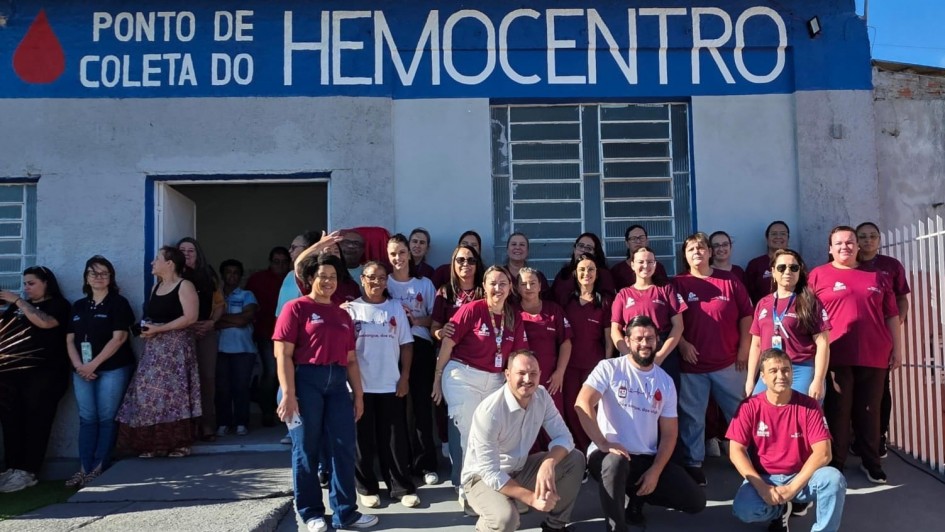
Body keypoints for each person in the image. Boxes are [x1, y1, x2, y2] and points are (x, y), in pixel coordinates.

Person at [273, 253, 378, 532]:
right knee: (306, 449)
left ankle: (346, 512)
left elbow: (352, 359)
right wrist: (288, 394)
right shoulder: (295, 308)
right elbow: (282, 354)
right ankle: (311, 513)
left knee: (343, 448)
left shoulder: (343, 314)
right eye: (322, 276)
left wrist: (359, 395)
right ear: (310, 279)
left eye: (333, 277)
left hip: (337, 384)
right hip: (306, 380)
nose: (328, 281)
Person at [576, 316, 707, 529]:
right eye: (638, 339)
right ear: (627, 341)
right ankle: (616, 525)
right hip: (609, 454)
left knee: (695, 501)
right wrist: (602, 442)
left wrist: (655, 471)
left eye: (650, 338)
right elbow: (582, 403)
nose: (644, 344)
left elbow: (669, 434)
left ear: (657, 341)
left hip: (645, 457)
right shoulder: (609, 368)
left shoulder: (665, 381)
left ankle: (636, 498)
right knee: (616, 464)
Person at [809, 226, 900, 484]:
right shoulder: (818, 275)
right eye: (839, 243)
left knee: (870, 411)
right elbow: (809, 316)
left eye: (850, 242)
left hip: (875, 353)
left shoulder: (878, 275)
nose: (845, 247)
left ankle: (871, 463)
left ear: (858, 247)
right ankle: (835, 463)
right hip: (836, 354)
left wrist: (898, 349)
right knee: (838, 410)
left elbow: (892, 315)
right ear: (830, 248)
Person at [432, 265, 527, 510]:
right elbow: (447, 345)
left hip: (495, 379)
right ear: (483, 286)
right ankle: (467, 489)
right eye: (493, 283)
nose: (498, 288)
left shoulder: (513, 315)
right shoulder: (471, 310)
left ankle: (490, 485)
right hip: (463, 375)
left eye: (503, 283)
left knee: (492, 434)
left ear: (510, 287)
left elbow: (515, 354)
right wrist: (437, 378)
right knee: (469, 434)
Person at [463, 350, 585, 532]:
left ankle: (555, 526)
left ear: (540, 375)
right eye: (521, 373)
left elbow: (564, 437)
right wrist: (530, 498)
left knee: (575, 459)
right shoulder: (490, 412)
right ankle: (485, 523)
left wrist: (548, 463)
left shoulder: (542, 397)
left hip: (519, 468)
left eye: (533, 373)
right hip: (481, 478)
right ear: (507, 375)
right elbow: (490, 472)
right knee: (506, 519)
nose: (528, 379)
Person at [729, 348, 846, 532]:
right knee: (744, 510)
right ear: (763, 377)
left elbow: (824, 453)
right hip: (765, 477)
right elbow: (736, 451)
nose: (781, 375)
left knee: (833, 479)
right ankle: (779, 511)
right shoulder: (749, 406)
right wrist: (763, 489)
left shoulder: (809, 406)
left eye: (785, 370)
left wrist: (792, 489)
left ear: (792, 373)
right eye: (773, 371)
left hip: (801, 477)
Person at [672, 232, 753, 486]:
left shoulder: (730, 280)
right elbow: (671, 321)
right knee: (692, 417)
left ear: (709, 252)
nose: (697, 252)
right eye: (691, 249)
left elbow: (747, 317)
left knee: (740, 413)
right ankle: (694, 463)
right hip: (692, 366)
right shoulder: (677, 284)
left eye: (700, 248)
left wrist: (743, 350)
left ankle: (749, 459)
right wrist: (682, 344)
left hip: (729, 362)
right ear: (685, 256)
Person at [346, 261, 420, 509]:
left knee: (394, 440)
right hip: (360, 387)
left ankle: (401, 487)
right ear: (361, 279)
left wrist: (405, 377)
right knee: (362, 441)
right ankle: (366, 488)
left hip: (390, 384)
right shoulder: (349, 310)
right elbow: (345, 353)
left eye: (381, 278)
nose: (376, 282)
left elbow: (406, 345)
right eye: (371, 277)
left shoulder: (395, 308)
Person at [116, 247, 200, 458]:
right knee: (147, 392)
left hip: (175, 349)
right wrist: (146, 329)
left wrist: (160, 329)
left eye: (157, 259)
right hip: (154, 349)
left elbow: (190, 317)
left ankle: (178, 444)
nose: (153, 263)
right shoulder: (157, 287)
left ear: (170, 263)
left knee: (175, 395)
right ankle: (152, 444)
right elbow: (154, 315)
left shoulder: (185, 285)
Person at [63, 256, 136, 487]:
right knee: (87, 418)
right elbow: (69, 340)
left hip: (112, 369)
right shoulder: (79, 306)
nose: (98, 277)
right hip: (81, 370)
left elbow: (120, 338)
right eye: (93, 273)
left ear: (111, 277)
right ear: (86, 277)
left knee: (106, 418)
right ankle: (83, 468)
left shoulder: (118, 303)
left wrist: (93, 365)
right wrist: (79, 367)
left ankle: (99, 467)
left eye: (104, 273)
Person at [0, 266, 71, 493]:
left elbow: (46, 323)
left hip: (44, 375)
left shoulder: (58, 305)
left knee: (36, 421)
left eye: (31, 283)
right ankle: (12, 467)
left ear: (46, 283)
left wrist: (18, 301)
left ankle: (28, 471)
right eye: (24, 284)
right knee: (11, 422)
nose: (26, 288)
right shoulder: (13, 309)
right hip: (11, 376)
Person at [385, 234, 440, 485]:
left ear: (410, 254)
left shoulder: (424, 284)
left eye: (402, 252)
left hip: (420, 347)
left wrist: (415, 320)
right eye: (393, 254)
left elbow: (434, 319)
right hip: (390, 348)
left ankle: (426, 464)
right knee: (396, 409)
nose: (398, 258)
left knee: (420, 407)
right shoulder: (383, 283)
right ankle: (400, 462)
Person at [430, 243, 485, 487]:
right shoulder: (445, 292)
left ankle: (484, 476)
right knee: (459, 423)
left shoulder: (485, 291)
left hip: (483, 365)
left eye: (471, 260)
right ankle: (460, 479)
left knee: (484, 423)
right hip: (454, 364)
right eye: (460, 260)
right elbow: (433, 328)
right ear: (453, 264)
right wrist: (441, 332)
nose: (466, 265)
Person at [745, 250, 831, 401]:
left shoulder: (809, 302)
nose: (787, 272)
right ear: (773, 271)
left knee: (798, 414)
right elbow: (756, 345)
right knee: (762, 414)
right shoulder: (763, 303)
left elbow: (823, 343)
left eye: (793, 268)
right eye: (781, 267)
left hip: (800, 369)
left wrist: (818, 379)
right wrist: (750, 379)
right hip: (769, 369)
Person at [856, 221, 910, 458]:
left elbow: (901, 300)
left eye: (872, 236)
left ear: (879, 239)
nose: (868, 241)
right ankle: (858, 439)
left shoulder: (891, 266)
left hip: (880, 341)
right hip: (851, 341)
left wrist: (894, 325)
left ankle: (879, 437)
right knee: (851, 392)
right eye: (863, 237)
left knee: (879, 391)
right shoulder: (848, 263)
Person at [610, 246, 686, 390]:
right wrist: (629, 356)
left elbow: (678, 326)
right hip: (632, 349)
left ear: (655, 264)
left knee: (665, 399)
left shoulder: (666, 289)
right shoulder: (623, 294)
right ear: (632, 265)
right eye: (641, 262)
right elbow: (615, 330)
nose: (646, 266)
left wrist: (660, 356)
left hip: (662, 350)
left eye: (650, 262)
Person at [561, 254, 614, 454]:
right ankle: (579, 451)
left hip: (595, 365)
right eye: (582, 269)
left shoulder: (605, 302)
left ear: (597, 273)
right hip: (570, 365)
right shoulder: (568, 301)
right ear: (575, 273)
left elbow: (609, 339)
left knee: (596, 409)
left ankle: (596, 451)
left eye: (591, 269)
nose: (586, 273)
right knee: (573, 408)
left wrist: (608, 366)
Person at [178, 237, 224, 442]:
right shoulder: (174, 276)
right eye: (182, 250)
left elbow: (220, 304)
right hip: (181, 333)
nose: (187, 254)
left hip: (206, 332)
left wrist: (211, 322)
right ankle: (185, 429)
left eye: (191, 251)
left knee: (207, 378)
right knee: (182, 380)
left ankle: (207, 425)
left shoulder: (209, 275)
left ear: (198, 254)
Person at [515, 267, 572, 425]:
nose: (528, 287)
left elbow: (566, 343)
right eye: (523, 283)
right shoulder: (512, 312)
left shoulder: (553, 310)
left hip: (550, 380)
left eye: (532, 283)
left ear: (540, 286)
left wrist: (560, 372)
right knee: (525, 425)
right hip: (521, 381)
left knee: (552, 424)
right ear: (517, 287)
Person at [245, 246, 291, 426]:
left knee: (290, 375)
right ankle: (267, 412)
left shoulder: (294, 279)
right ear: (270, 262)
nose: (279, 265)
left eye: (283, 262)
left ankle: (288, 414)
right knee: (271, 373)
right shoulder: (258, 280)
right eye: (276, 262)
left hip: (292, 336)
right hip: (266, 333)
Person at [215, 259, 258, 437]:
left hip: (244, 349)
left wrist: (221, 319)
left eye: (235, 273)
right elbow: (211, 321)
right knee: (222, 387)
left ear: (240, 276)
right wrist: (231, 320)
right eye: (228, 272)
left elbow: (244, 320)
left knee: (241, 387)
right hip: (219, 349)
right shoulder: (216, 296)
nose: (231, 276)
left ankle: (241, 422)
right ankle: (223, 422)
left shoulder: (247, 295)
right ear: (222, 275)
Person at [551, 232, 616, 307]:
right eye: (580, 246)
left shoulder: (603, 274)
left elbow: (609, 302)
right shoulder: (564, 274)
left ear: (595, 253)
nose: (583, 250)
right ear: (575, 249)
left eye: (589, 248)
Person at [744, 221, 790, 305]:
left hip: (792, 314)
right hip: (763, 314)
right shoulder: (755, 265)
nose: (778, 237)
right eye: (774, 234)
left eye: (783, 234)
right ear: (767, 238)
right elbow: (747, 296)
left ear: (788, 238)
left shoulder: (796, 263)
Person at [610, 225, 670, 289]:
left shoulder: (658, 267)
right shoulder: (617, 270)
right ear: (627, 243)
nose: (638, 242)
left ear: (647, 241)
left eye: (641, 238)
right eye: (633, 238)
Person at [505, 232, 549, 298]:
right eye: (514, 244)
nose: (517, 247)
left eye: (522, 244)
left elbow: (546, 302)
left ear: (527, 251)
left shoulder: (538, 276)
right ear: (507, 250)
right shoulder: (500, 274)